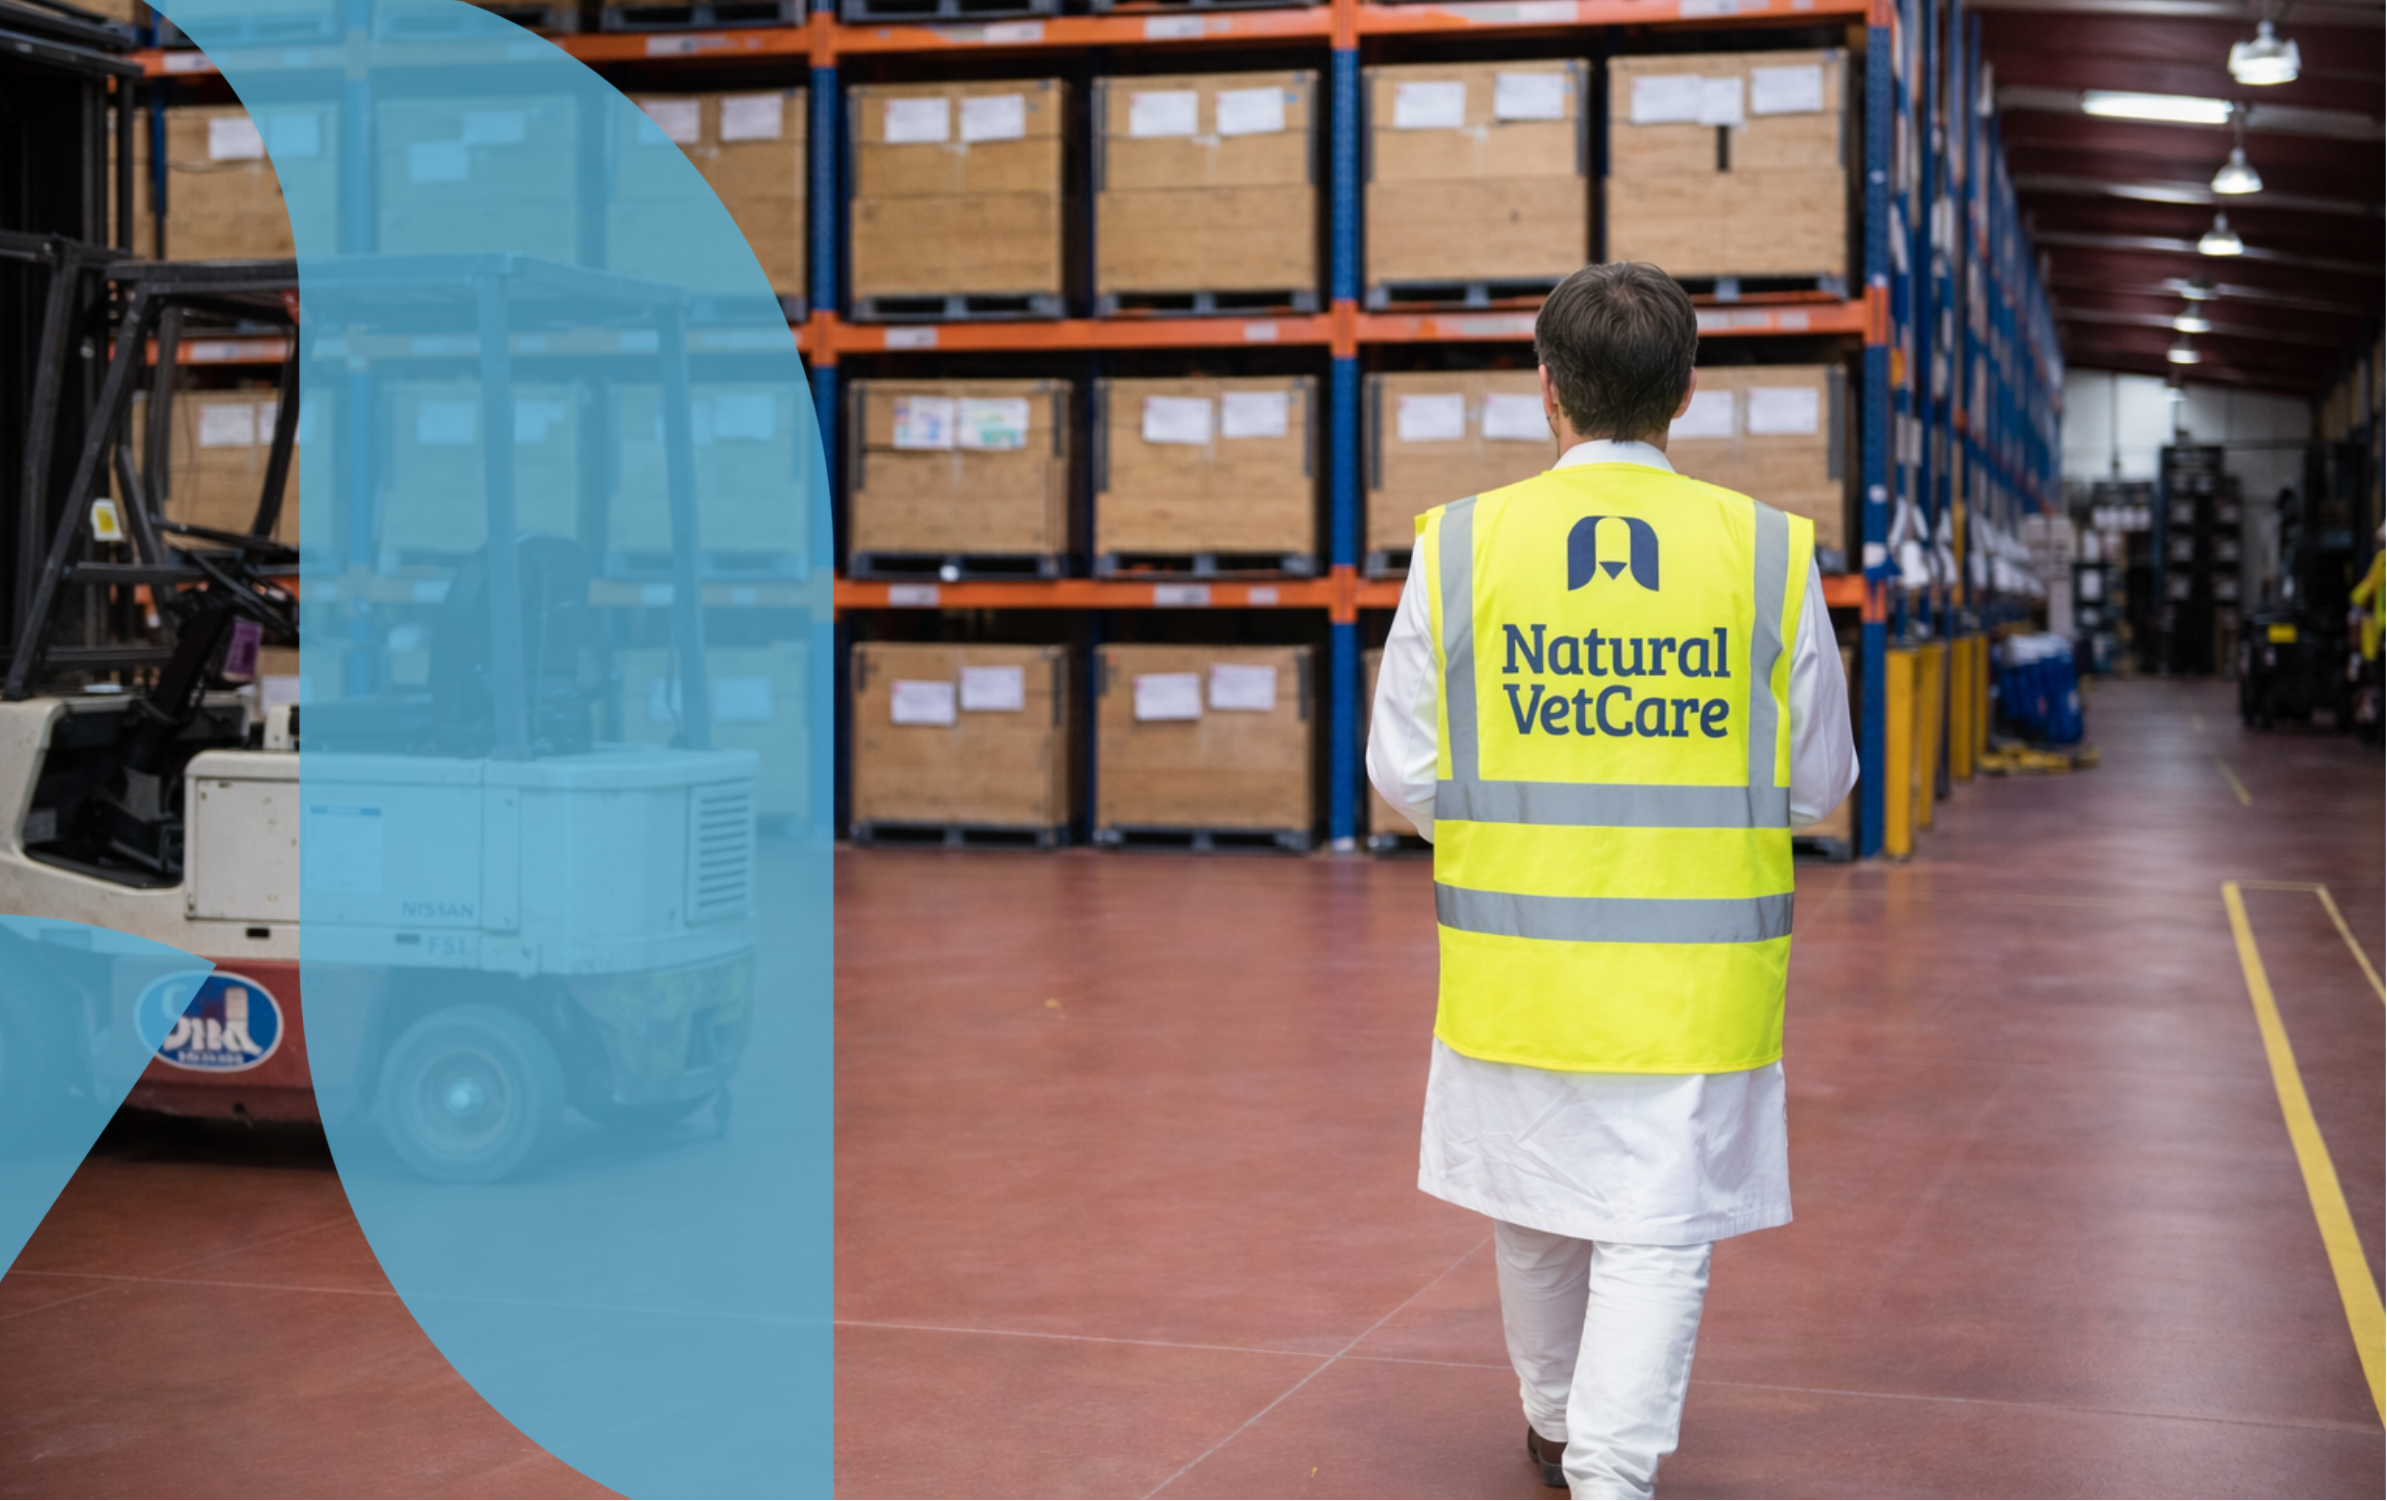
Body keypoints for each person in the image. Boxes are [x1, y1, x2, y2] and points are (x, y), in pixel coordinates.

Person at [1366, 262, 1858, 1500]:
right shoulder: (1764, 550)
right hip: (1692, 984)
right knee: (1655, 1232)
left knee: (1532, 1203)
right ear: (1685, 392)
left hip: (1514, 963)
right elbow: (1816, 782)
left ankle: (1554, 1425)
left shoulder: (1461, 542)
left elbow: (1402, 769)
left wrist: (1519, 830)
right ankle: (1608, 1473)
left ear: (1546, 389)